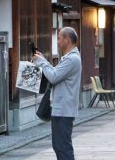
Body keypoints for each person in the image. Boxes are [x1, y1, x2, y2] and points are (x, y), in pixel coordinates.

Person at [33, 27, 82, 160]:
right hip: (62, 108)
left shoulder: (72, 59)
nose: (58, 42)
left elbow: (54, 76)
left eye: (59, 38)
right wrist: (43, 60)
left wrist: (41, 61)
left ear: (67, 40)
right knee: (60, 146)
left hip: (64, 110)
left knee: (62, 147)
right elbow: (56, 73)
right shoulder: (69, 58)